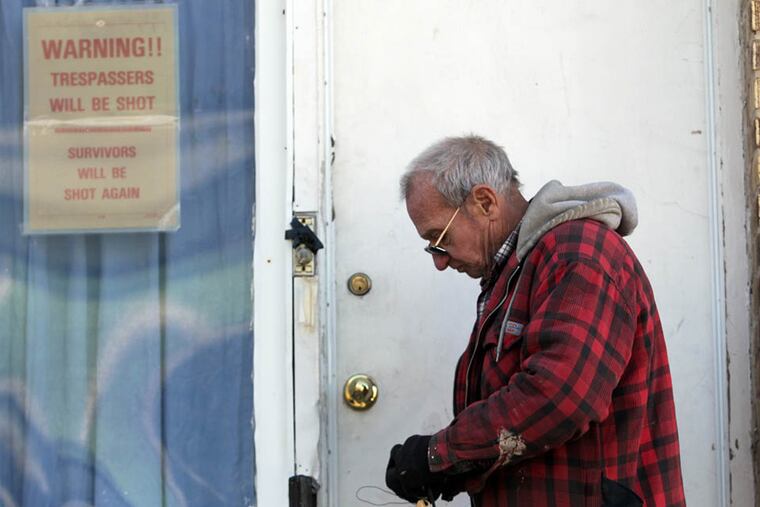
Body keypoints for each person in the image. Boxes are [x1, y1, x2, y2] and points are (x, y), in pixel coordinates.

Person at [385, 136, 685, 506]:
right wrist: (453, 464)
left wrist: (439, 457)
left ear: (484, 202)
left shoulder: (580, 253)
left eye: (438, 238)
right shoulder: (517, 273)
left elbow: (562, 395)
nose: (439, 260)